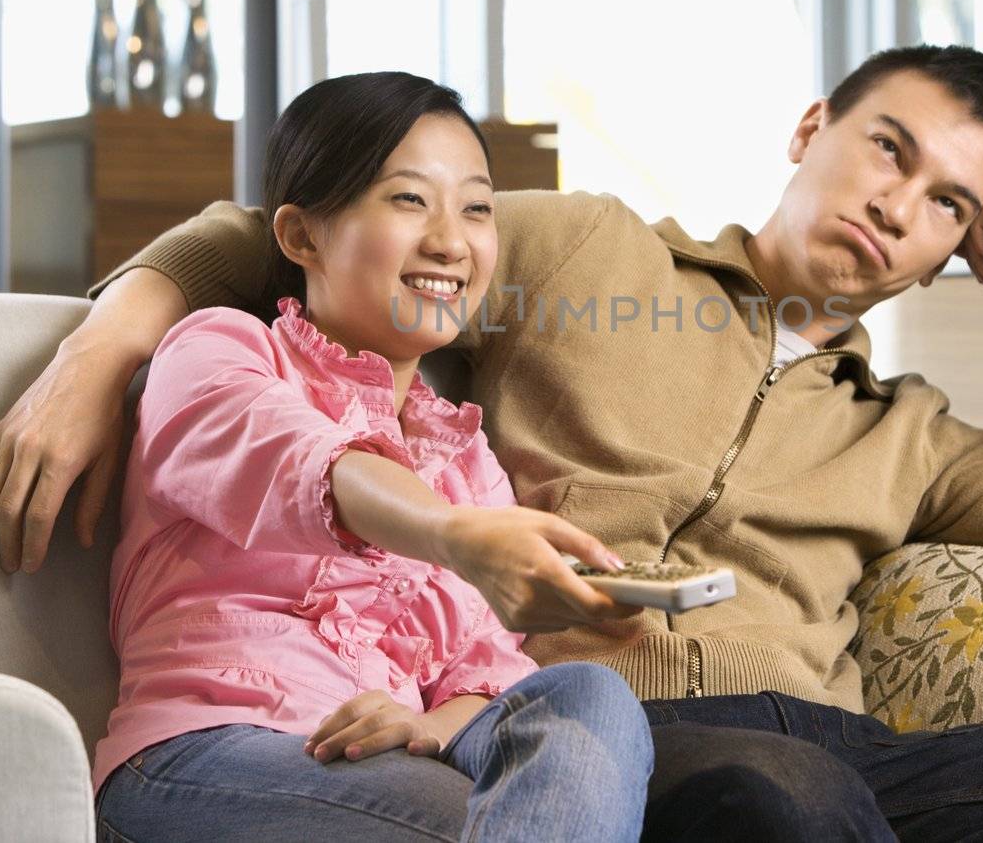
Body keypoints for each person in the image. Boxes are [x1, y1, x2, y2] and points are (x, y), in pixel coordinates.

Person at [0, 45, 983, 840]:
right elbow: (306, 224)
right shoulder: (589, 246)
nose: (900, 206)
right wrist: (107, 345)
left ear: (969, 247)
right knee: (778, 798)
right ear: (812, 126)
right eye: (888, 150)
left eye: (953, 204)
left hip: (852, 757)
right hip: (627, 743)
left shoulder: (917, 436)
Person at [86, 71, 653, 841]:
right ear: (299, 235)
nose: (451, 241)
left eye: (477, 207)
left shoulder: (465, 457)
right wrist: (456, 534)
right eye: (409, 199)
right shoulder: (218, 351)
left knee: (588, 697)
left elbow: (483, 665)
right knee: (474, 821)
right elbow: (303, 462)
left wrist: (429, 722)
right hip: (200, 757)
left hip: (386, 763)